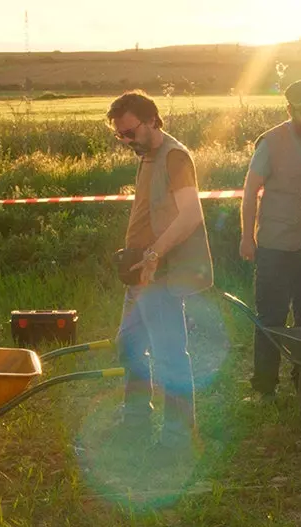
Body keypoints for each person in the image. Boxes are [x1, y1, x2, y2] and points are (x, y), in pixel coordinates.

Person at [106, 91, 213, 453]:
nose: (126, 141)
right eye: (120, 135)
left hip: (161, 272)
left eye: (130, 132)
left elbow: (191, 214)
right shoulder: (148, 153)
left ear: (152, 120)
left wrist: (154, 254)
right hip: (140, 270)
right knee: (129, 345)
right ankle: (136, 417)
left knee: (169, 355)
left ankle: (177, 436)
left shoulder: (175, 156)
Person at [239, 79, 301, 400]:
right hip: (275, 246)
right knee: (271, 317)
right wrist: (246, 237)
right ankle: (265, 387)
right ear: (290, 111)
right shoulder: (270, 143)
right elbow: (249, 193)